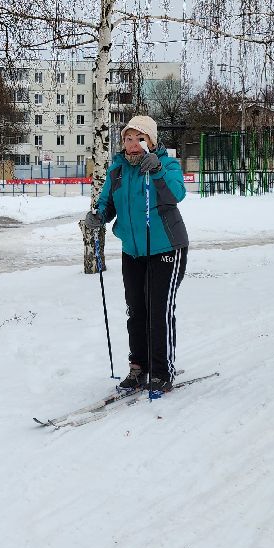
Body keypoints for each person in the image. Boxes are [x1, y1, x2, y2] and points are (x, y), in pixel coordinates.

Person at [83, 115, 189, 393]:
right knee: (136, 311)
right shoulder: (118, 170)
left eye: (139, 139)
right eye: (128, 138)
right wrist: (99, 215)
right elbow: (108, 204)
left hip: (166, 247)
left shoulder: (166, 164)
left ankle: (161, 371)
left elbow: (176, 195)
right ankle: (138, 368)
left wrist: (157, 172)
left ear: (151, 142)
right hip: (133, 251)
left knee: (159, 310)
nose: (132, 144)